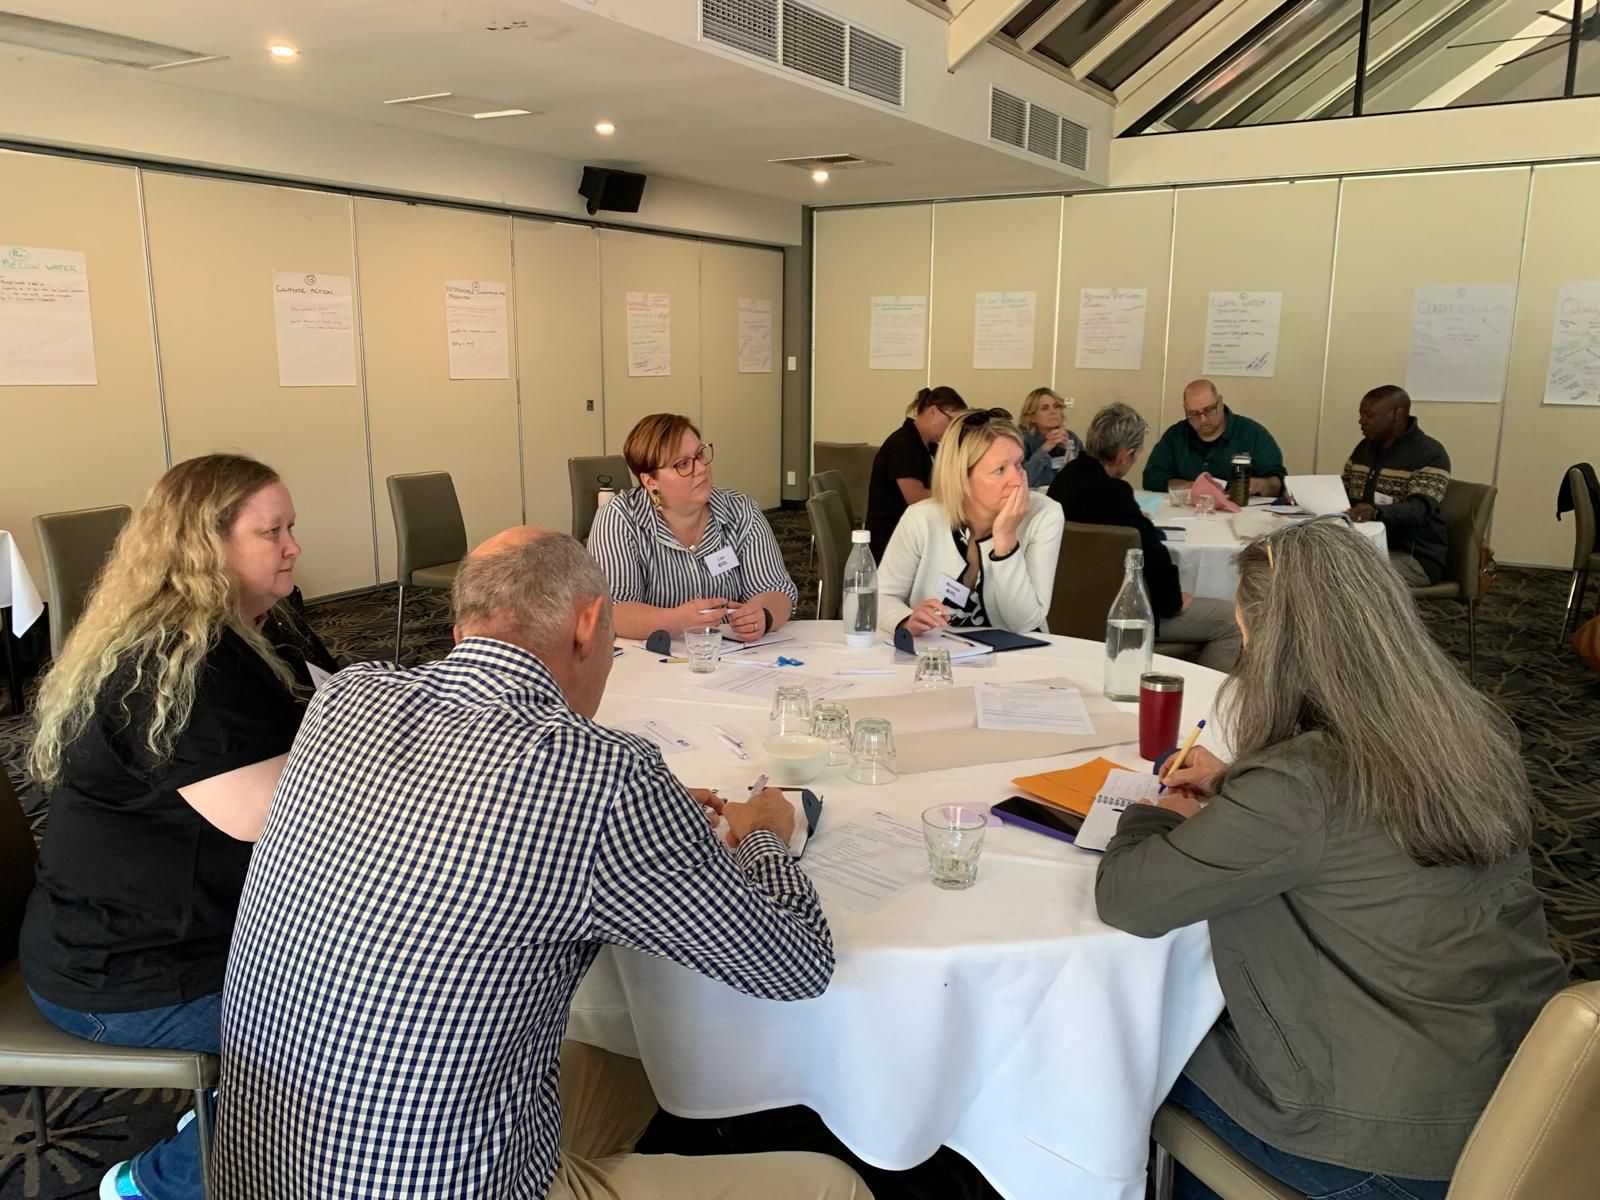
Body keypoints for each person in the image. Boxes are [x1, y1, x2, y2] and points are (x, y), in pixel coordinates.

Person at [214, 528, 871, 1200]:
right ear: (588, 627)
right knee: (833, 1187)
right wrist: (761, 830)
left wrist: (657, 818)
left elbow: (466, 812)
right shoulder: (603, 777)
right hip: (445, 1186)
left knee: (645, 1061)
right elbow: (796, 964)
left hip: (260, 1170)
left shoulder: (348, 699)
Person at [1095, 517, 1566, 1200]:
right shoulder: (1468, 733)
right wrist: (1234, 787)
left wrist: (1154, 810)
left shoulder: (1299, 784)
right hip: (1511, 1098)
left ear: (1270, 644)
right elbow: (1358, 828)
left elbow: (1127, 899)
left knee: (1127, 1051)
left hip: (1373, 1139)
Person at [20, 454, 333, 1200]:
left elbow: (336, 705)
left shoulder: (262, 623)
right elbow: (281, 818)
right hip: (126, 974)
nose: (293, 547)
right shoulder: (176, 665)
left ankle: (230, 1113)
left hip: (185, 929)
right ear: (206, 548)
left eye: (291, 528)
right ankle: (155, 1185)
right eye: (272, 533)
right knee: (358, 1025)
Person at [1049, 404, 1241, 671]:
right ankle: (1206, 705)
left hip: (1065, 613)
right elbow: (1152, 556)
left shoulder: (1064, 481)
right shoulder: (1114, 493)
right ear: (1125, 455)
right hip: (1123, 615)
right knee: (1233, 623)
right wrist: (1174, 602)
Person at [587, 413, 797, 642]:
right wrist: (677, 620)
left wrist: (763, 615)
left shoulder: (741, 510)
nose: (701, 469)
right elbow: (613, 610)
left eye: (700, 454)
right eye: (683, 464)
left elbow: (778, 589)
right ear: (650, 481)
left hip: (733, 655)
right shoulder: (619, 518)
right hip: (656, 661)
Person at [878, 408, 1063, 635]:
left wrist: (1005, 541)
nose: (1017, 480)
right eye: (1000, 470)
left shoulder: (1044, 514)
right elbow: (880, 597)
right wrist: (907, 619)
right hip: (937, 656)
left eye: (1018, 464)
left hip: (1015, 659)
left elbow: (1024, 623)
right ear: (962, 478)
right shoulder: (922, 519)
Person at [1341, 384, 1451, 586]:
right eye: (1361, 414)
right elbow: (1344, 491)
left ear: (1397, 414)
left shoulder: (1430, 453)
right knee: (1318, 562)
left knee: (1342, 574)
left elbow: (1420, 509)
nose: (1361, 421)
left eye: (1369, 415)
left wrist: (1376, 512)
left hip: (1414, 557)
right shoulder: (1364, 449)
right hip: (1367, 548)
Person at [865, 385, 968, 562]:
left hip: (911, 529)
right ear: (934, 411)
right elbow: (915, 497)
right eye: (951, 422)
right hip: (891, 540)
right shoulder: (904, 444)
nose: (952, 430)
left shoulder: (929, 446)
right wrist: (957, 498)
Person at [1142, 379, 1286, 497]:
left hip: (1240, 515)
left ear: (1220, 403)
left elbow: (1280, 482)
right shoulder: (1176, 435)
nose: (1203, 419)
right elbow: (1151, 478)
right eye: (1194, 414)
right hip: (1188, 515)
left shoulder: (1252, 433)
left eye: (1209, 410)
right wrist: (1187, 486)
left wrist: (1261, 485)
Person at [1017, 387, 1084, 487]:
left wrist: (1069, 449)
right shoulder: (1022, 440)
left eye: (1056, 406)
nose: (1053, 412)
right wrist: (1044, 449)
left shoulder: (1071, 436)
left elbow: (1085, 475)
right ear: (1032, 417)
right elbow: (1021, 480)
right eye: (1045, 408)